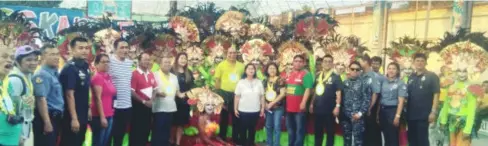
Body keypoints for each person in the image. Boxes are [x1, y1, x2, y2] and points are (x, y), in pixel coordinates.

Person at [59, 37, 92, 146]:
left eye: (86, 48)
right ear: (72, 50)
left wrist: (88, 109)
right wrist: (74, 118)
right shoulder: (70, 68)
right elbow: (69, 95)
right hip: (71, 116)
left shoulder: (85, 66)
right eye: (80, 48)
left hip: (82, 114)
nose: (84, 51)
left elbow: (84, 91)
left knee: (79, 142)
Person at [32, 45, 64, 146]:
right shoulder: (41, 75)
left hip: (56, 117)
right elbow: (41, 99)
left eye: (57, 54)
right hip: (47, 117)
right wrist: (47, 122)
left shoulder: (54, 73)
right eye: (52, 54)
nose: (56, 57)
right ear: (43, 57)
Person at [8, 45, 39, 145]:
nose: (33, 63)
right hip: (16, 132)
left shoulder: (28, 75)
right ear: (17, 62)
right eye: (28, 60)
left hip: (25, 128)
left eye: (35, 59)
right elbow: (10, 112)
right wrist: (17, 134)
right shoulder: (15, 80)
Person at [406, 53, 440, 146]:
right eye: (417, 61)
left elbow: (436, 95)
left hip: (424, 115)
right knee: (412, 139)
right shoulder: (411, 77)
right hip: (411, 115)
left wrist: (433, 112)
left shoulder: (432, 76)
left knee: (422, 140)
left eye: (422, 61)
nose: (419, 63)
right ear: (414, 62)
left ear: (426, 63)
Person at [438, 66, 477, 146]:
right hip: (451, 121)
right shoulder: (450, 84)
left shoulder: (472, 87)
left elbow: (472, 110)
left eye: (465, 71)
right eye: (459, 70)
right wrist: (443, 120)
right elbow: (446, 104)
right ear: (455, 71)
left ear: (469, 72)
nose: (462, 74)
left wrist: (468, 129)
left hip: (464, 122)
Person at [310, 55, 343, 146]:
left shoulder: (336, 76)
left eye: (329, 61)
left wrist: (337, 106)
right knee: (318, 132)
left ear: (332, 64)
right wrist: (312, 104)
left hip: (330, 110)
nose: (327, 63)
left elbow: (339, 93)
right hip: (318, 109)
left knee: (330, 133)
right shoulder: (317, 76)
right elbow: (314, 92)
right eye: (325, 61)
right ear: (322, 63)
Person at [152, 55, 185, 146]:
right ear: (160, 64)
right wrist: (158, 93)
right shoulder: (155, 75)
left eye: (169, 62)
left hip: (170, 108)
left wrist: (182, 95)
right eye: (165, 62)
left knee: (167, 131)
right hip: (159, 108)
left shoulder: (174, 77)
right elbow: (151, 90)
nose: (167, 64)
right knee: (158, 131)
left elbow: (177, 91)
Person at [213, 47, 244, 144]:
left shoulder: (241, 66)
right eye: (230, 53)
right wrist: (218, 97)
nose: (232, 55)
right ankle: (222, 137)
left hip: (237, 96)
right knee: (224, 118)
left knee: (236, 118)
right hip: (224, 94)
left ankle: (235, 139)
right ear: (227, 54)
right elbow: (217, 81)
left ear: (237, 54)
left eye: (234, 53)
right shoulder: (221, 65)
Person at [108, 39, 134, 146]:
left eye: (126, 47)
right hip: (112, 106)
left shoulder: (130, 63)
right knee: (109, 135)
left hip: (127, 105)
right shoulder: (109, 61)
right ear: (115, 49)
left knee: (120, 135)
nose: (125, 50)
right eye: (121, 47)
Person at [284, 55, 314, 146]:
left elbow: (308, 89)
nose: (298, 63)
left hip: (299, 109)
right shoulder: (290, 74)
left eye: (300, 61)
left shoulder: (306, 74)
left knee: (299, 130)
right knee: (290, 130)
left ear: (304, 63)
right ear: (293, 63)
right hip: (289, 108)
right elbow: (287, 89)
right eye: (296, 61)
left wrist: (303, 103)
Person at [129, 52, 157, 146]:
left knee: (146, 130)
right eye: (145, 59)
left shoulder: (151, 74)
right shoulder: (134, 74)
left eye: (148, 59)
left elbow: (155, 89)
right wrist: (144, 101)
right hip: (138, 107)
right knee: (136, 131)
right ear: (139, 61)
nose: (147, 61)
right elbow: (132, 92)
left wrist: (152, 100)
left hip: (148, 107)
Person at [341, 61, 371, 146]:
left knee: (358, 141)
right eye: (352, 69)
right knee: (346, 141)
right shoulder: (344, 83)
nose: (354, 71)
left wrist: (360, 114)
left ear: (360, 71)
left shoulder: (364, 83)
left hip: (358, 117)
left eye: (357, 69)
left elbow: (367, 100)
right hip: (346, 116)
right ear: (349, 70)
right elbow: (341, 98)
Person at [234, 64, 265, 146]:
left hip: (255, 110)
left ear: (255, 71)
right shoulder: (241, 82)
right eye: (249, 68)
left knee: (252, 129)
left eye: (253, 68)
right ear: (245, 71)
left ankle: (251, 143)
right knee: (243, 129)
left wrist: (262, 108)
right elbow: (237, 96)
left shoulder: (259, 82)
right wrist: (235, 109)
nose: (251, 70)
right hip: (243, 110)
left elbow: (262, 96)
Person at [377, 62, 407, 146]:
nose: (391, 70)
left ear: (397, 71)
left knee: (393, 137)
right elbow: (380, 98)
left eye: (394, 69)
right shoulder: (383, 81)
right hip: (383, 111)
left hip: (393, 111)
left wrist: (397, 116)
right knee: (386, 136)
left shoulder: (400, 83)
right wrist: (377, 114)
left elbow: (401, 101)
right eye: (389, 68)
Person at [90, 54, 116, 146]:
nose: (106, 64)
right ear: (96, 64)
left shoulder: (108, 77)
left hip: (110, 114)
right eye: (103, 62)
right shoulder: (97, 77)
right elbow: (98, 98)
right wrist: (102, 117)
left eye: (108, 61)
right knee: (98, 142)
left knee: (105, 142)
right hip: (99, 116)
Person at [0, 44, 23, 146]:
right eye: (4, 56)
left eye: (12, 58)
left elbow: (13, 109)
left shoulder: (7, 83)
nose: (9, 60)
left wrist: (19, 135)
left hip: (12, 138)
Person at [358, 55, 382, 146]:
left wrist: (370, 108)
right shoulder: (361, 74)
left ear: (365, 62)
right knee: (364, 132)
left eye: (360, 61)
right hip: (362, 107)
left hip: (370, 107)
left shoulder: (373, 76)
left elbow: (375, 93)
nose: (359, 63)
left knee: (372, 132)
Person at [171, 53, 194, 146]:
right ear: (177, 59)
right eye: (181, 58)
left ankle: (177, 143)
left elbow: (192, 87)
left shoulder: (189, 72)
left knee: (181, 123)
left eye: (185, 58)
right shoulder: (172, 71)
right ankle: (171, 140)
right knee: (173, 123)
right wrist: (177, 93)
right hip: (173, 101)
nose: (183, 60)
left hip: (185, 102)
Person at [263, 63, 286, 146]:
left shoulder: (280, 80)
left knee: (277, 126)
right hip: (268, 108)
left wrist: (272, 103)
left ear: (277, 70)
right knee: (268, 126)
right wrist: (265, 104)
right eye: (270, 68)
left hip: (278, 107)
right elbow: (262, 93)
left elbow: (283, 94)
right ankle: (269, 143)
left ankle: (276, 144)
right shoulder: (265, 80)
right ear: (267, 70)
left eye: (274, 68)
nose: (272, 70)